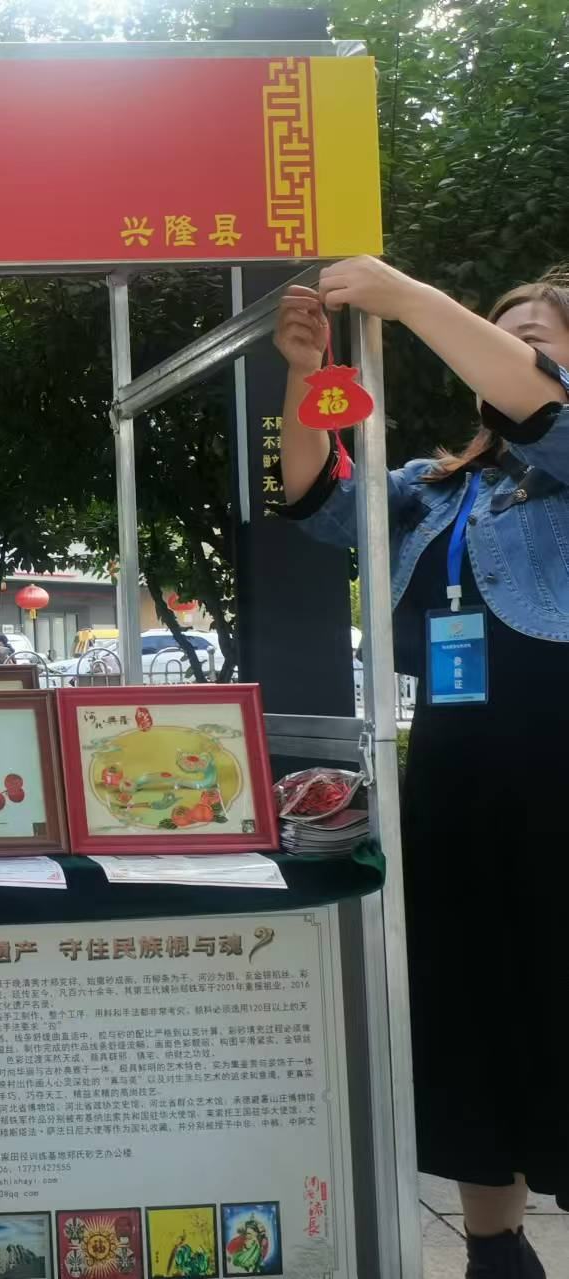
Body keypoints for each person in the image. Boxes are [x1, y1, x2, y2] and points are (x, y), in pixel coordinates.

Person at [274, 255, 569, 1276]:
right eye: (503, 334)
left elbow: (542, 407)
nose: (512, 352)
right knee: (467, 1001)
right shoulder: (434, 486)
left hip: (559, 771)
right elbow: (314, 498)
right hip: (452, 773)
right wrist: (303, 374)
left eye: (537, 340)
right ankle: (496, 1249)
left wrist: (404, 298)